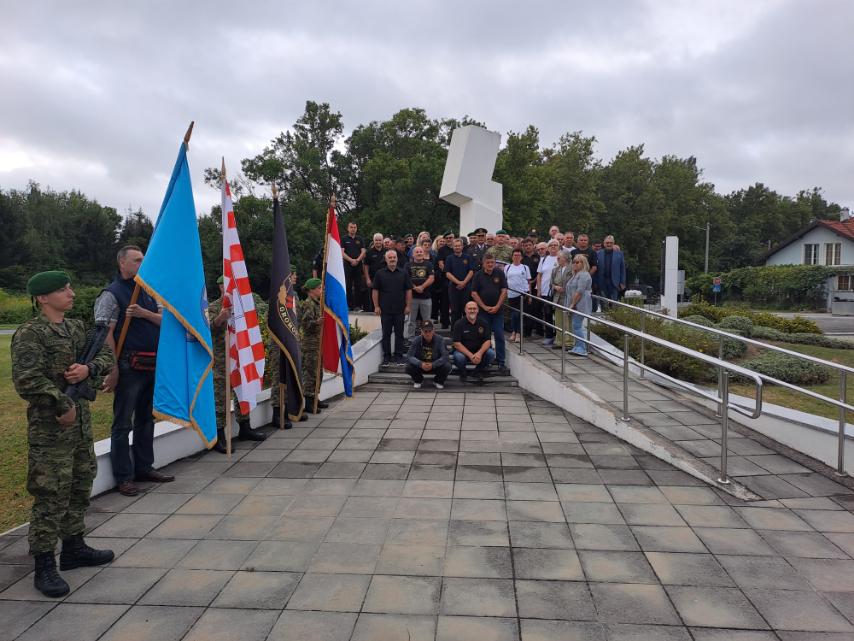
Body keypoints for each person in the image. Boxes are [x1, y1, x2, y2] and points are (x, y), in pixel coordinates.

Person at [12, 271, 115, 597]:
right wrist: (61, 403)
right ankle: (44, 564)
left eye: (70, 286)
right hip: (50, 429)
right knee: (50, 493)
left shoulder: (75, 328)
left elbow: (106, 355)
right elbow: (27, 380)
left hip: (80, 425)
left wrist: (88, 370)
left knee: (80, 484)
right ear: (43, 298)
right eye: (63, 289)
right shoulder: (31, 333)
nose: (71, 293)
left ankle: (73, 547)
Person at [95, 245, 173, 497]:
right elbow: (105, 333)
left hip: (151, 363)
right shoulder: (112, 293)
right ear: (122, 263)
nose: (142, 263)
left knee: (146, 419)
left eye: (143, 259)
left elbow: (165, 321)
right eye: (137, 260)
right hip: (128, 365)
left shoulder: (149, 291)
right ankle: (124, 477)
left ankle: (144, 467)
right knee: (122, 423)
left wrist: (144, 313)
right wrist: (113, 367)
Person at [209, 277, 270, 453]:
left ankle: (245, 427)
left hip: (240, 355)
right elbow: (208, 328)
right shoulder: (213, 306)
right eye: (226, 286)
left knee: (243, 392)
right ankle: (219, 436)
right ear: (221, 286)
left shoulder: (242, 306)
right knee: (220, 397)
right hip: (222, 358)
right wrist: (221, 317)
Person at [372, 250, 413, 365]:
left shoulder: (403, 273)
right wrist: (376, 306)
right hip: (385, 309)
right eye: (389, 257)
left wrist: (408, 306)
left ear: (397, 259)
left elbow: (408, 290)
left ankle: (399, 356)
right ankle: (387, 357)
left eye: (394, 257)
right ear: (386, 259)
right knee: (386, 334)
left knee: (400, 334)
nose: (392, 259)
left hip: (400, 309)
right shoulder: (379, 273)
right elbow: (375, 290)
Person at [470, 254, 508, 368]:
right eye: (488, 262)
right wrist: (484, 306)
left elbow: (504, 290)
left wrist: (497, 306)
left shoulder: (500, 273)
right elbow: (474, 293)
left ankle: (501, 361)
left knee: (499, 335)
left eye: (492, 262)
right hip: (482, 312)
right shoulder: (478, 275)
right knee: (483, 336)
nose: (490, 264)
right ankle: (486, 359)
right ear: (483, 263)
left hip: (498, 312)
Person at [299, 278, 328, 413]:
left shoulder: (317, 303)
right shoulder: (308, 304)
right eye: (319, 288)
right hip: (309, 344)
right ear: (311, 290)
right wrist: (316, 322)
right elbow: (305, 324)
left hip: (317, 343)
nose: (321, 290)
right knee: (310, 372)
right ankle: (309, 402)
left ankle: (315, 397)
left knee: (318, 372)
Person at [451, 301, 495, 382]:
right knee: (458, 357)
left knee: (491, 353)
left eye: (474, 309)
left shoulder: (484, 323)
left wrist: (479, 353)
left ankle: (477, 371)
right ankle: (463, 372)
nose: (472, 311)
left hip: (479, 352)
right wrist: (471, 355)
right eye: (469, 309)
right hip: (463, 352)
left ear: (478, 310)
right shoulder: (459, 323)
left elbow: (488, 341)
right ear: (465, 310)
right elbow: (457, 344)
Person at [405, 320, 451, 389]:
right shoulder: (416, 340)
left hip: (435, 365)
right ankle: (418, 380)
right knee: (408, 367)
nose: (428, 334)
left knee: (447, 366)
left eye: (430, 331)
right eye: (425, 331)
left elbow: (445, 356)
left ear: (433, 331)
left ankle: (438, 381)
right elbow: (409, 356)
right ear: (421, 332)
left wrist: (433, 364)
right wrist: (420, 363)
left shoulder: (440, 340)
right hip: (421, 366)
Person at [404, 246, 435, 339]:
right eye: (416, 252)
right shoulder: (408, 265)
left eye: (420, 252)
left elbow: (431, 278)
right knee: (411, 320)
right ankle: (410, 338)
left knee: (427, 321)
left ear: (423, 253)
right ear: (413, 254)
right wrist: (414, 287)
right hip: (412, 297)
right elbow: (406, 278)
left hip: (426, 297)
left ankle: (427, 338)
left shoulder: (429, 264)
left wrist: (422, 287)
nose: (419, 253)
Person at [567, 254, 594, 355]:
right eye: (573, 262)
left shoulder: (584, 274)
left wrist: (572, 304)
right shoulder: (576, 274)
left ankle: (582, 348)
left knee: (577, 325)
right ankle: (577, 346)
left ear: (583, 263)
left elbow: (579, 291)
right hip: (576, 303)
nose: (574, 264)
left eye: (577, 262)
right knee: (575, 325)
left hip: (581, 303)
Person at [444, 239, 474, 326]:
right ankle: (454, 331)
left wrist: (464, 282)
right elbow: (447, 273)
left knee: (466, 309)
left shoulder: (467, 257)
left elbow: (471, 271)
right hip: (454, 287)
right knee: (454, 310)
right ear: (453, 247)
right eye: (455, 246)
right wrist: (458, 283)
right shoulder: (449, 258)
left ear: (462, 246)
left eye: (459, 245)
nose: (457, 247)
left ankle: (467, 328)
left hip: (466, 287)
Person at [536, 239, 560, 346]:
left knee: (558, 315)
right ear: (548, 248)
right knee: (547, 314)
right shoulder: (544, 259)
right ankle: (549, 336)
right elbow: (539, 275)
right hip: (545, 291)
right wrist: (539, 290)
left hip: (557, 292)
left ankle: (559, 337)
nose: (553, 247)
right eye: (551, 245)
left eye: (555, 245)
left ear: (559, 247)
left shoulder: (561, 258)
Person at [504, 248, 531, 343]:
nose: (516, 257)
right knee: (514, 315)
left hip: (522, 294)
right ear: (512, 257)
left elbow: (528, 281)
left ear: (521, 257)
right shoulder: (507, 267)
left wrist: (529, 295)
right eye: (515, 255)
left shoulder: (525, 267)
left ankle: (518, 333)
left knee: (519, 314)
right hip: (511, 294)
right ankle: (514, 332)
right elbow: (505, 281)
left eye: (518, 255)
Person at [549, 250, 574, 349]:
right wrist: (555, 287)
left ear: (566, 258)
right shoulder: (555, 270)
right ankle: (559, 341)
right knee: (558, 320)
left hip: (568, 298)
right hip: (557, 298)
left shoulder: (572, 269)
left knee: (568, 321)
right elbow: (551, 283)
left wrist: (565, 288)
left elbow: (575, 282)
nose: (557, 259)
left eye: (559, 257)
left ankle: (569, 342)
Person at [341, 221, 366, 311]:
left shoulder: (360, 239)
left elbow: (363, 251)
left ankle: (358, 306)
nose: (353, 229)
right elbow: (342, 252)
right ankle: (349, 305)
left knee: (358, 286)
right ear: (348, 228)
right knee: (347, 285)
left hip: (358, 265)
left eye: (354, 227)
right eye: (351, 227)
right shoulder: (344, 239)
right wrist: (351, 260)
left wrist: (358, 260)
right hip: (348, 265)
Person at [596, 235, 626, 302]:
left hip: (614, 282)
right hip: (602, 281)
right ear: (604, 244)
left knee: (614, 302)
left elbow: (622, 269)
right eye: (607, 243)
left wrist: (622, 282)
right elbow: (596, 269)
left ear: (613, 243)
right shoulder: (598, 254)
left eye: (611, 243)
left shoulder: (619, 254)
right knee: (603, 302)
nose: (609, 244)